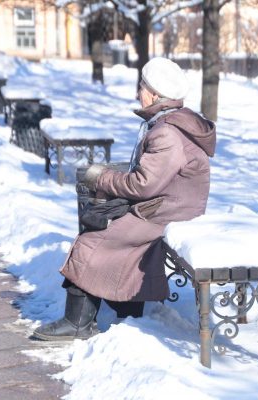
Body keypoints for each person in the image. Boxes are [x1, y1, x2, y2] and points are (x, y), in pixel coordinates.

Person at [32, 57, 216, 341]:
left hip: (164, 212)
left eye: (141, 86)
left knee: (92, 241)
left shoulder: (167, 132)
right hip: (165, 206)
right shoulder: (167, 123)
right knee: (104, 227)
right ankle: (125, 310)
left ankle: (78, 322)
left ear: (155, 94)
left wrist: (100, 177)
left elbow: (143, 184)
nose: (138, 92)